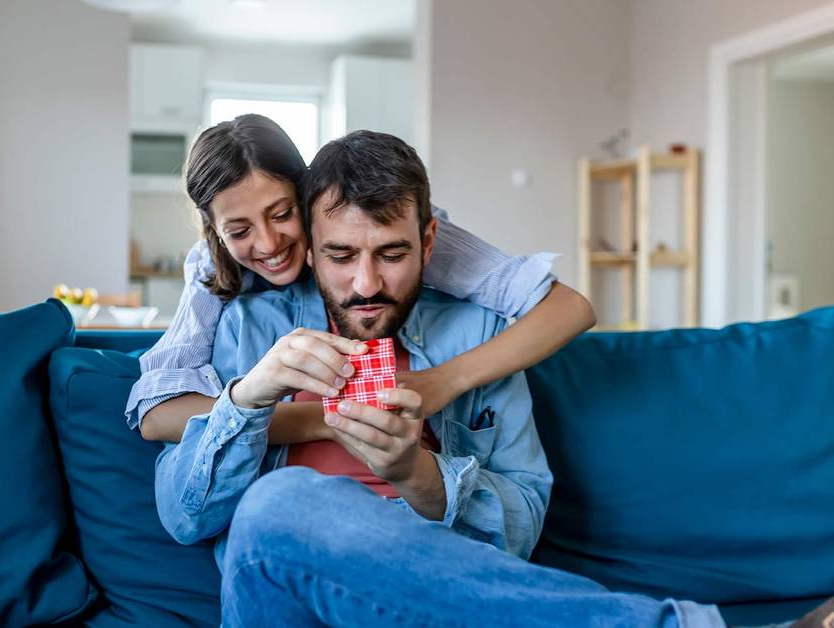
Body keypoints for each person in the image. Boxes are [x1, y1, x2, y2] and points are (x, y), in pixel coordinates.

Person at [155, 130, 737, 627]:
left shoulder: (480, 335)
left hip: (440, 600)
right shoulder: (247, 328)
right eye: (339, 255)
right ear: (308, 246)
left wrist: (418, 474)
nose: (365, 284)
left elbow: (520, 530)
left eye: (391, 253)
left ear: (429, 242)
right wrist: (248, 399)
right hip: (288, 605)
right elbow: (185, 518)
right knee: (276, 505)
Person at [124, 113, 596, 446]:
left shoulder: (393, 232)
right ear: (215, 231)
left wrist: (444, 381)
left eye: (283, 214)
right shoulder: (212, 265)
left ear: (309, 199)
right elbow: (158, 413)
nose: (267, 244)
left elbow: (569, 307)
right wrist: (327, 419)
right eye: (240, 230)